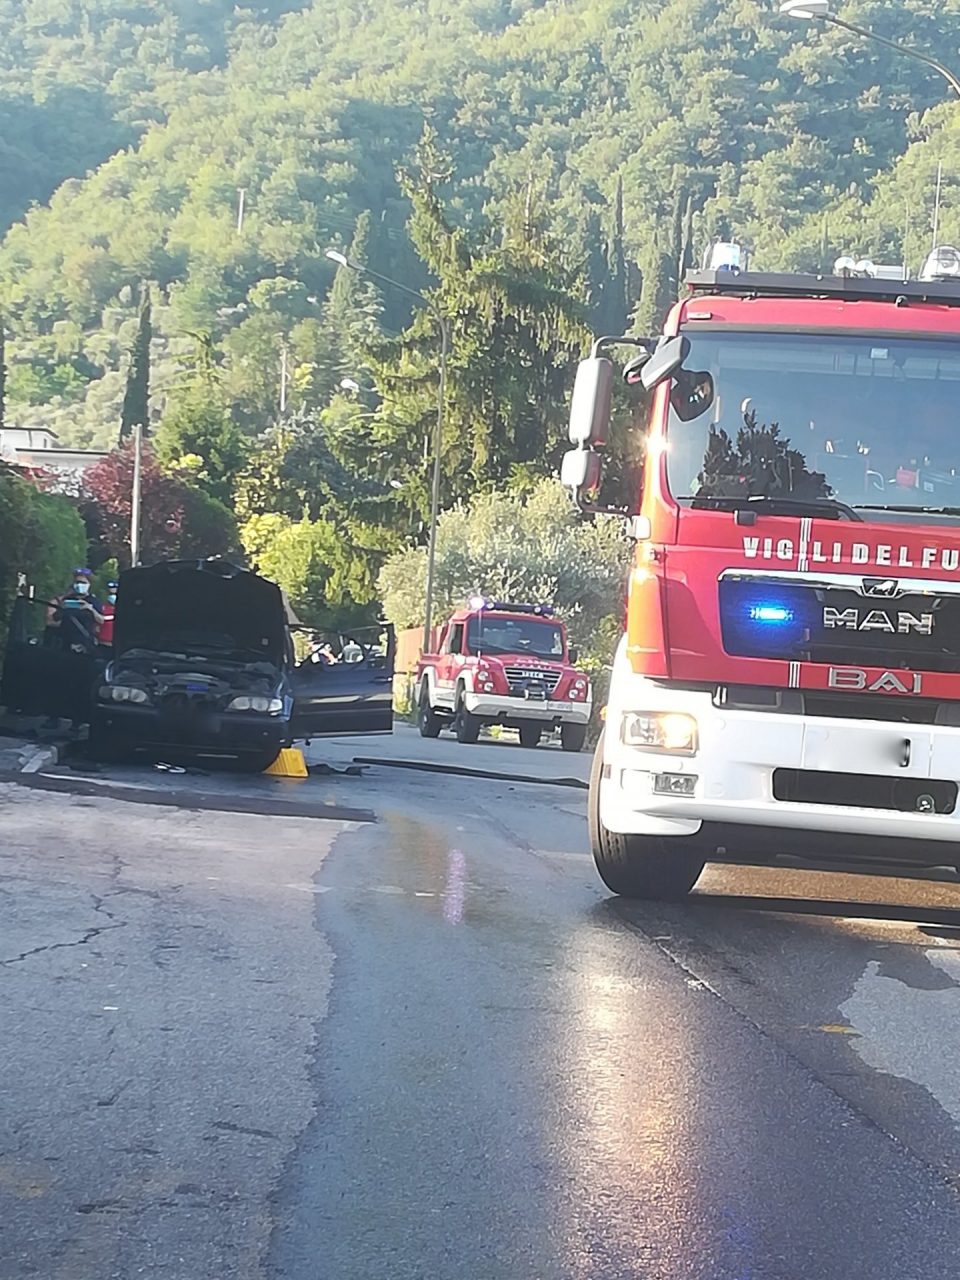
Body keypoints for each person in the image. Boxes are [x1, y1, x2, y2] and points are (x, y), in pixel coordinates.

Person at [47, 570, 104, 654]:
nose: (80, 585)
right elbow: (54, 619)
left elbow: (101, 620)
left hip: (84, 644)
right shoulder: (67, 599)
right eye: (77, 582)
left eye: (83, 582)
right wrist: (63, 606)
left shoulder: (93, 601)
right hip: (64, 643)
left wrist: (90, 609)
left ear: (89, 584)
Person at [97, 581, 118, 654]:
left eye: (115, 594)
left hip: (119, 647)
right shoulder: (101, 608)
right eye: (111, 594)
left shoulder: (126, 609)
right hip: (103, 646)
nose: (113, 596)